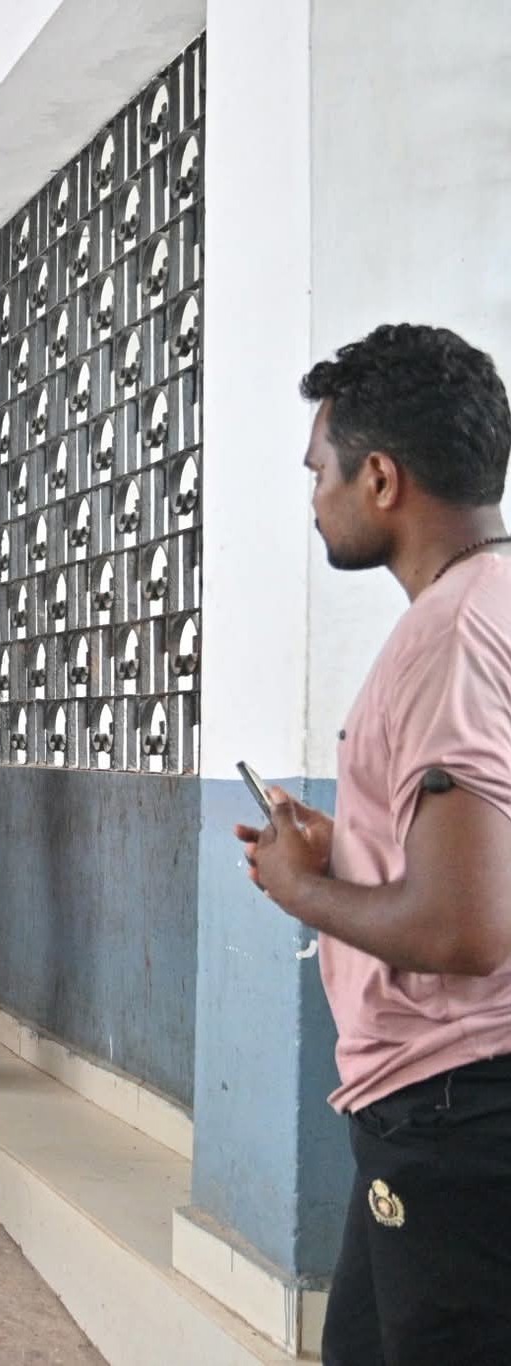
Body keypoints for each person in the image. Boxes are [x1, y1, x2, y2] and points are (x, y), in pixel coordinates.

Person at [237, 324, 511, 1362]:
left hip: (456, 1108)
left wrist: (296, 885)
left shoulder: (448, 639)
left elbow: (462, 928)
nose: (315, 496)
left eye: (322, 471)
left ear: (382, 478)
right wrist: (353, 846)